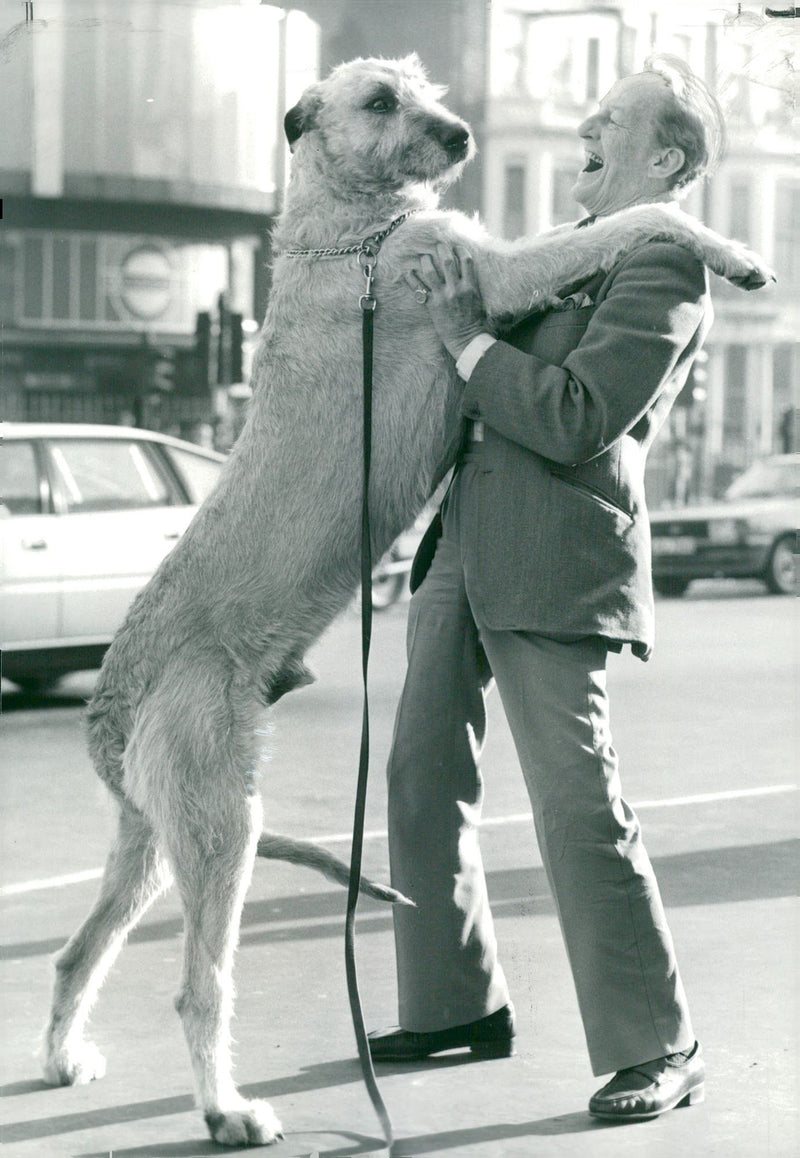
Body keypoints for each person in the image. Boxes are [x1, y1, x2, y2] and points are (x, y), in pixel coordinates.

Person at [367, 55, 724, 1121]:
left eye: (609, 119)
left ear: (660, 157)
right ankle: (453, 1006)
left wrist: (465, 338)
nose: (585, 124)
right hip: (461, 551)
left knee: (576, 805)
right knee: (420, 782)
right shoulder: (562, 255)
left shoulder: (660, 266)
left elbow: (575, 414)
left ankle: (658, 1042)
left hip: (556, 560)